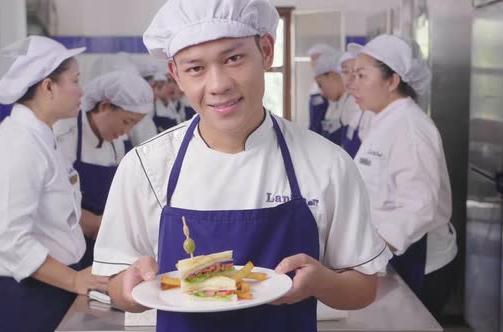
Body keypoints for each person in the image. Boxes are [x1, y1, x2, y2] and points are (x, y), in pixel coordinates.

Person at [92, 1, 392, 331]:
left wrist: (322, 283)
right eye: (195, 68)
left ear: (266, 51)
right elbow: (117, 286)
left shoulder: (326, 164)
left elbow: (364, 289)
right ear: (176, 74)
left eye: (233, 58)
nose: (218, 84)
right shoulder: (146, 167)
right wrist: (129, 287)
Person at [0, 36, 108, 332]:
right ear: (48, 86)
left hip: (51, 285)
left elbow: (55, 212)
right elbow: (9, 239)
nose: (82, 90)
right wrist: (74, 280)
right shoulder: (16, 146)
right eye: (75, 80)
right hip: (26, 297)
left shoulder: (42, 138)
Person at [349, 34, 457, 319]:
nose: (352, 84)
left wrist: (370, 257)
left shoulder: (410, 128)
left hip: (418, 261)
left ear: (392, 81)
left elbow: (418, 207)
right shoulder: (381, 119)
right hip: (392, 255)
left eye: (361, 75)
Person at [54, 70, 153, 264]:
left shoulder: (116, 139)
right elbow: (55, 205)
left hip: (105, 241)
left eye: (133, 125)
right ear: (104, 106)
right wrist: (97, 224)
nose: (126, 131)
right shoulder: (65, 134)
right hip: (70, 244)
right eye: (126, 121)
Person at [338, 51, 373, 158]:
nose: (351, 77)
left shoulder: (371, 110)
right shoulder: (347, 101)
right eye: (345, 71)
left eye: (358, 73)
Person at [313, 52, 346, 144]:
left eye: (320, 85)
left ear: (332, 75)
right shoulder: (334, 105)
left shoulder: (354, 104)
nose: (322, 93)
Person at [307, 43, 337, 134]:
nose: (313, 62)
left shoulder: (333, 81)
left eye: (315, 58)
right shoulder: (315, 83)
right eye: (311, 59)